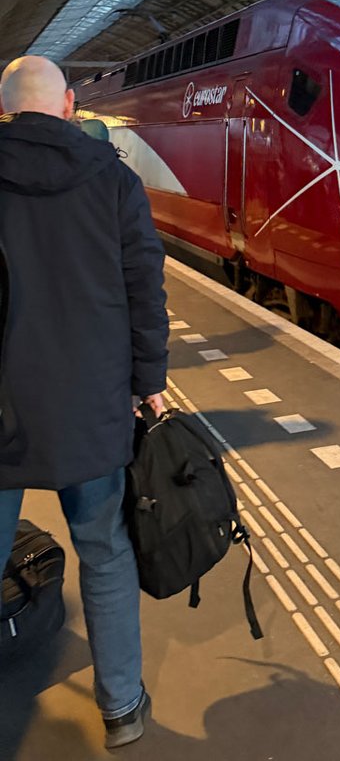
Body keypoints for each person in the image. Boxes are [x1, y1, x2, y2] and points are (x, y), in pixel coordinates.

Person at [0, 56, 168, 748]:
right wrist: (149, 377)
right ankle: (122, 705)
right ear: (69, 104)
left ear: (5, 109)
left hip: (2, 407)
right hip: (91, 398)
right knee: (104, 550)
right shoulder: (113, 178)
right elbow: (144, 284)